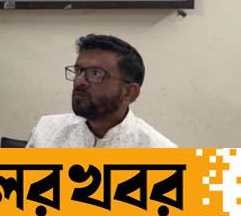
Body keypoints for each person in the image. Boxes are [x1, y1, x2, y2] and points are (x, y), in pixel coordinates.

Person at [26, 34, 175, 148]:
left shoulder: (159, 153)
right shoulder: (46, 132)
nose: (79, 81)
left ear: (129, 93)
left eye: (95, 73)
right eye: (78, 71)